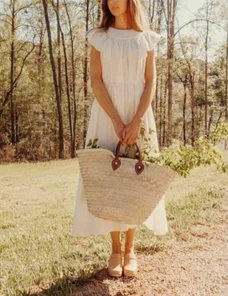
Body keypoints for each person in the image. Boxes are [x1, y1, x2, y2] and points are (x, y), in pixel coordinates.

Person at [72, 0, 168, 277]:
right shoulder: (99, 38)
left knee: (136, 180)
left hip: (139, 112)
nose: (112, 2)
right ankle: (115, 250)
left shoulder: (147, 39)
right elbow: (96, 80)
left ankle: (131, 250)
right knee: (110, 178)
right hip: (107, 112)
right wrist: (115, 119)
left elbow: (151, 81)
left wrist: (136, 120)